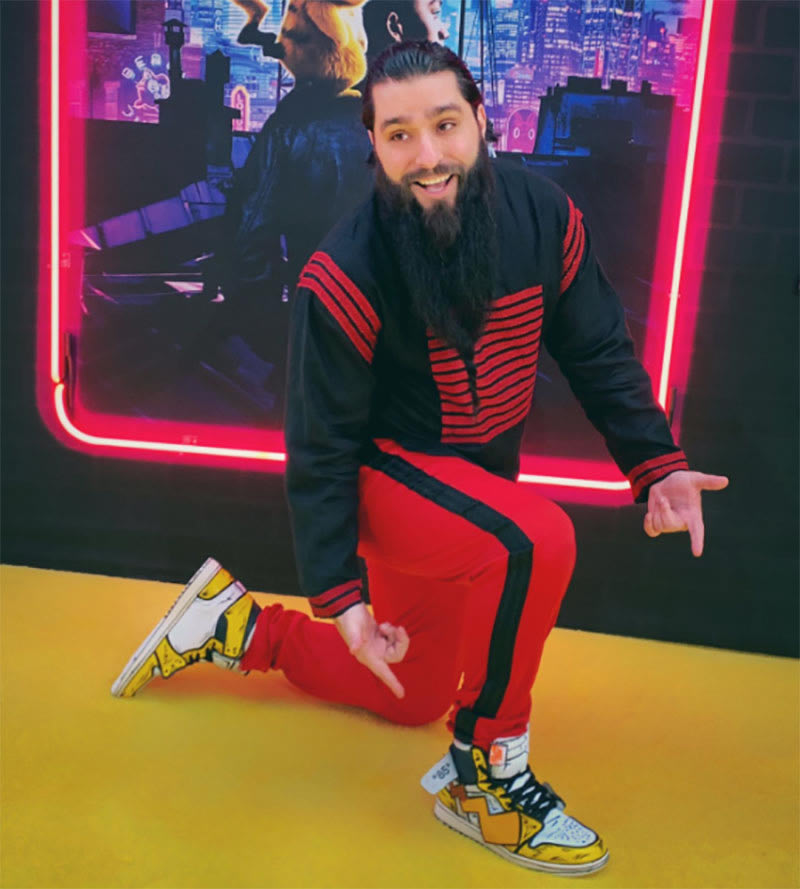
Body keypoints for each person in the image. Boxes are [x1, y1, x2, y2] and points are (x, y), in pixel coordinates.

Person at [112, 42, 728, 875]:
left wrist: (655, 461)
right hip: (384, 480)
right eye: (399, 134)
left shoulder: (546, 217)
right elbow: (320, 447)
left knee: (412, 693)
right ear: (374, 144)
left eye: (445, 124)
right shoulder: (344, 270)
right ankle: (486, 778)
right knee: (535, 539)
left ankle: (238, 627)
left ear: (482, 121)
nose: (428, 155)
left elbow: (597, 349)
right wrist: (343, 595)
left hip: (471, 491)